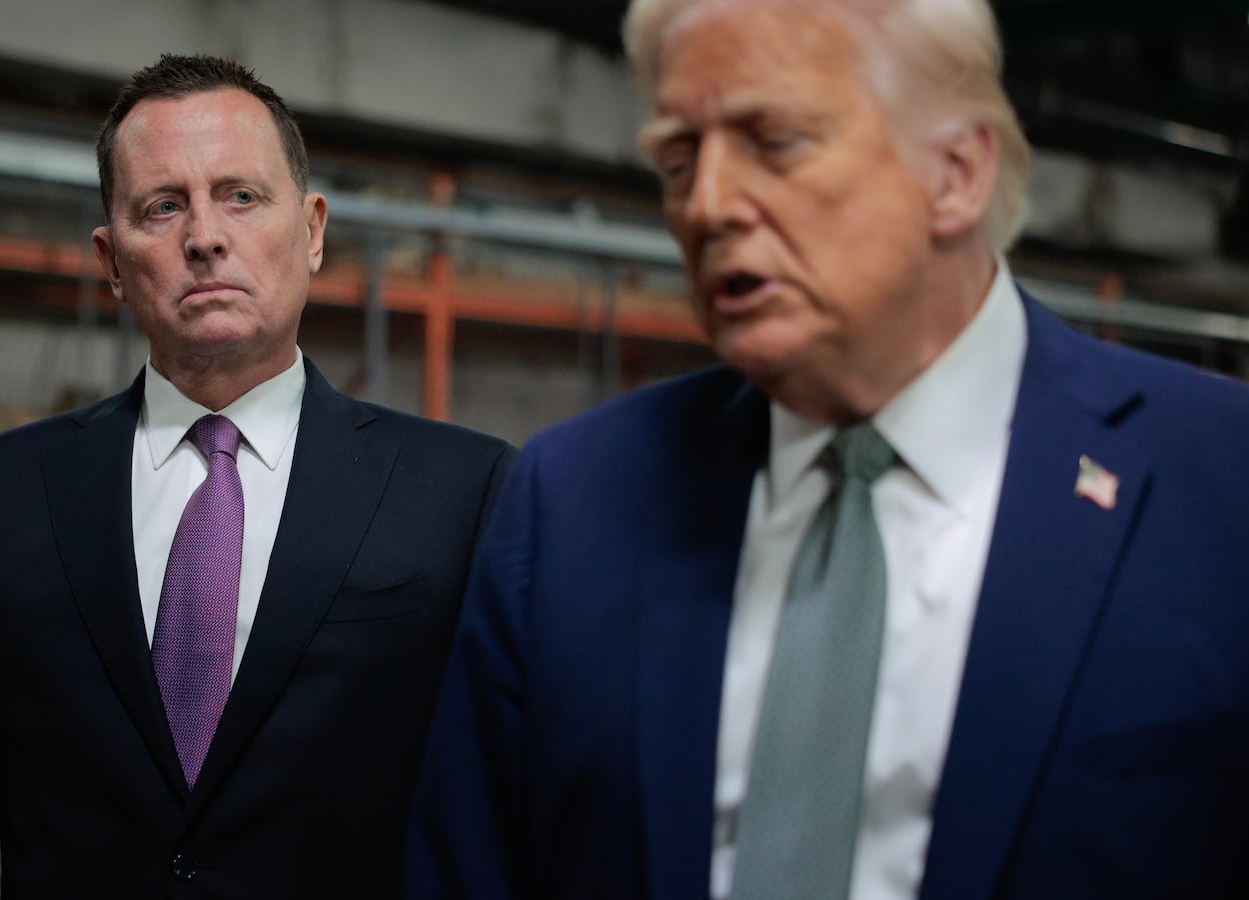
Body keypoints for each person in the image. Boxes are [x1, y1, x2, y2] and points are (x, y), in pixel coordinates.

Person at [408, 1, 1249, 898]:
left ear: (956, 175)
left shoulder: (1220, 480)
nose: (708, 205)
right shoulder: (574, 500)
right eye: (679, 161)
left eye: (776, 141)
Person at [0, 54, 515, 900]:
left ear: (312, 230)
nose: (204, 236)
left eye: (240, 196)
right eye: (162, 207)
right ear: (111, 260)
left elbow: (515, 812)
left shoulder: (463, 492)